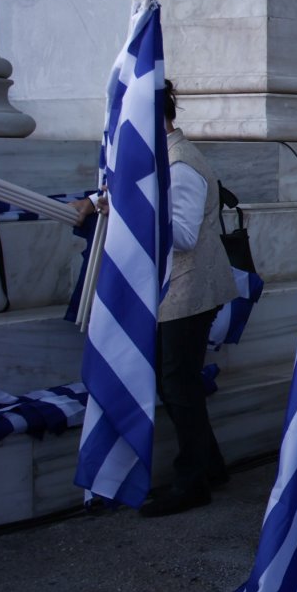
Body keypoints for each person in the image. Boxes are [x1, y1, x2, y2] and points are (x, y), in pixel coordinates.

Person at [74, 92, 235, 516]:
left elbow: (183, 235)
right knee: (177, 382)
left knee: (177, 384)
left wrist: (128, 211)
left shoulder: (180, 164)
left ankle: (193, 481)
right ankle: (209, 466)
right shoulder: (162, 160)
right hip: (174, 289)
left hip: (190, 289)